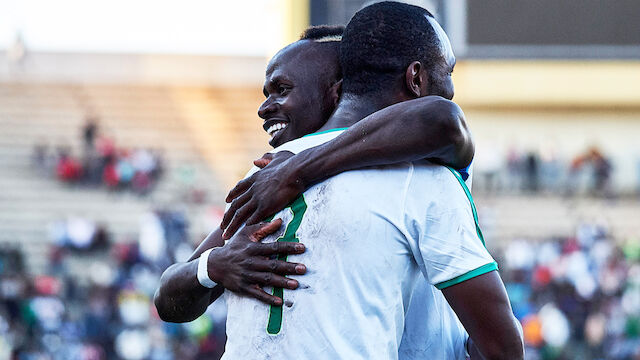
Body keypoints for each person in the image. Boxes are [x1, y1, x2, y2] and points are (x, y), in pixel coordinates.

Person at [157, 2, 523, 359]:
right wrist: (213, 265)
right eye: (450, 73)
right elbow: (503, 349)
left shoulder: (265, 175)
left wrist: (296, 171)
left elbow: (441, 121)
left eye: (282, 90)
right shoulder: (424, 175)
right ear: (416, 78)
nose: (266, 106)